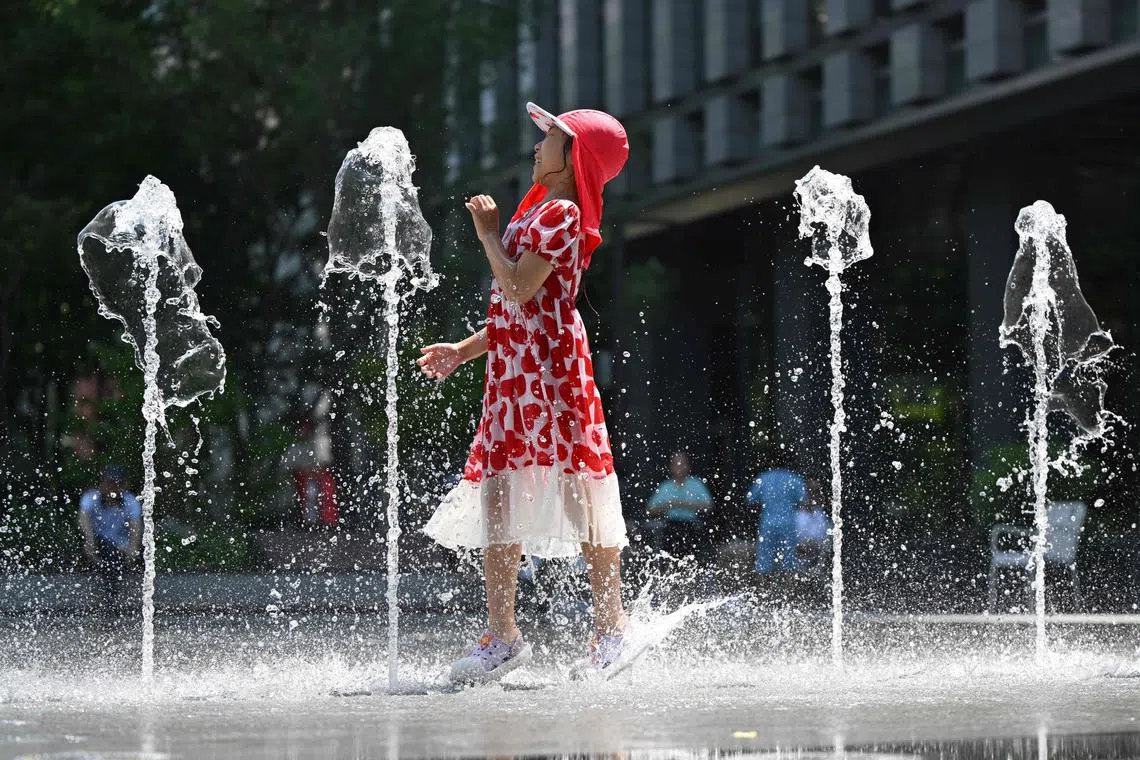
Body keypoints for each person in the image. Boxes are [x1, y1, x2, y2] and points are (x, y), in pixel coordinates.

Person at [418, 101, 631, 683]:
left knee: (578, 493)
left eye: (551, 139)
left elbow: (517, 285)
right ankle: (502, 633)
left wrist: (487, 234)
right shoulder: (540, 209)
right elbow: (518, 312)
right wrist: (463, 351)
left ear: (575, 157)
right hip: (515, 375)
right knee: (498, 497)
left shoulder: (562, 212)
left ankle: (611, 630)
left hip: (552, 373)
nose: (538, 146)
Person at [78, 465, 142, 605]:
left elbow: (136, 526)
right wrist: (89, 541)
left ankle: (114, 597)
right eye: (109, 483)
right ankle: (110, 597)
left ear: (125, 485)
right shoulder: (91, 497)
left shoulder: (130, 501)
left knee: (125, 555)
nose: (112, 487)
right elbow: (84, 518)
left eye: (117, 483)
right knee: (108, 550)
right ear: (101, 484)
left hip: (121, 546)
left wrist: (132, 548)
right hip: (98, 543)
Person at [644, 452, 714, 554]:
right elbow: (650, 510)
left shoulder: (696, 484)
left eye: (683, 463)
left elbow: (709, 506)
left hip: (692, 526)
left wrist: (683, 504)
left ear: (688, 466)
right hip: (670, 525)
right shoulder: (665, 486)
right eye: (676, 463)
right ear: (670, 466)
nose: (679, 466)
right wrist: (669, 505)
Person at [746, 461, 807, 574]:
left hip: (767, 523)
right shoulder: (794, 478)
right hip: (788, 523)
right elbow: (804, 502)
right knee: (789, 562)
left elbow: (751, 501)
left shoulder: (763, 478)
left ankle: (764, 588)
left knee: (764, 562)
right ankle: (787, 588)